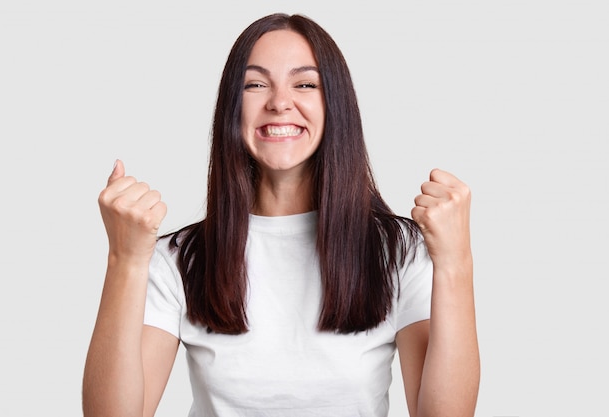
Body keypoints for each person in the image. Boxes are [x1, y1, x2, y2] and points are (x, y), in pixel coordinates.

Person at [82, 12, 480, 417]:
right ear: (232, 108)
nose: (279, 102)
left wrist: (455, 263)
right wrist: (125, 261)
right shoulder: (181, 259)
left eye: (305, 84)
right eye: (255, 84)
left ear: (335, 104)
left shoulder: (397, 251)